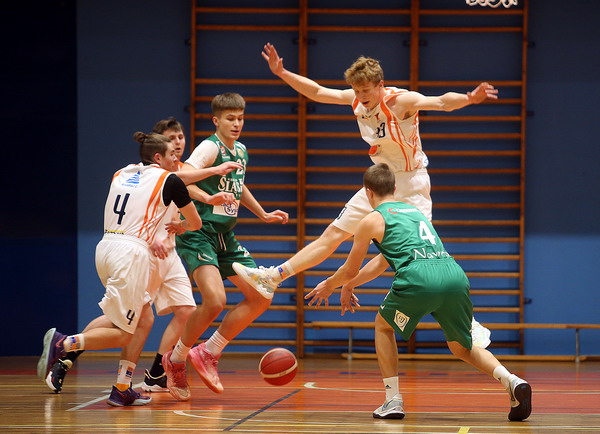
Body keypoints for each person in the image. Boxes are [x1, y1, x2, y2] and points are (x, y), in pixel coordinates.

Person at [233, 43, 496, 302]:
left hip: (411, 182)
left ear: (380, 85)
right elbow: (317, 91)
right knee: (334, 233)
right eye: (357, 90)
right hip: (382, 181)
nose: (361, 96)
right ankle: (274, 277)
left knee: (403, 251)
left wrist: (469, 98)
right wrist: (282, 72)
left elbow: (440, 102)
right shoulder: (356, 99)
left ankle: (440, 303)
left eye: (366, 90)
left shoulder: (400, 101)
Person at [305, 163, 532, 421]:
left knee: (383, 326)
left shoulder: (371, 220)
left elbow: (349, 268)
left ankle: (392, 400)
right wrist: (349, 285)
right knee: (461, 347)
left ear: (368, 192)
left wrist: (329, 285)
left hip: (419, 277)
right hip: (453, 275)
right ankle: (512, 381)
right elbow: (381, 262)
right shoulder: (414, 213)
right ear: (394, 188)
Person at [43, 123, 243, 396]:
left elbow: (180, 185)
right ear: (158, 156)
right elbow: (191, 215)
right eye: (171, 148)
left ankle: (127, 385)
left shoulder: (122, 173)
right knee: (124, 330)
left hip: (110, 246)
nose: (177, 152)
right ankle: (65, 346)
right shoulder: (170, 179)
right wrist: (185, 219)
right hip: (137, 252)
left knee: (152, 317)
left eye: (180, 140)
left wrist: (207, 193)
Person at [161, 92, 289, 401]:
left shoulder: (241, 150)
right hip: (199, 232)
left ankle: (210, 351)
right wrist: (208, 195)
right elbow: (180, 178)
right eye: (230, 118)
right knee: (215, 300)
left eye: (240, 118)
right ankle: (176, 359)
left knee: (261, 295)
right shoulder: (209, 147)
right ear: (216, 120)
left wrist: (262, 213)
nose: (236, 124)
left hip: (225, 236)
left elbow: (239, 185)